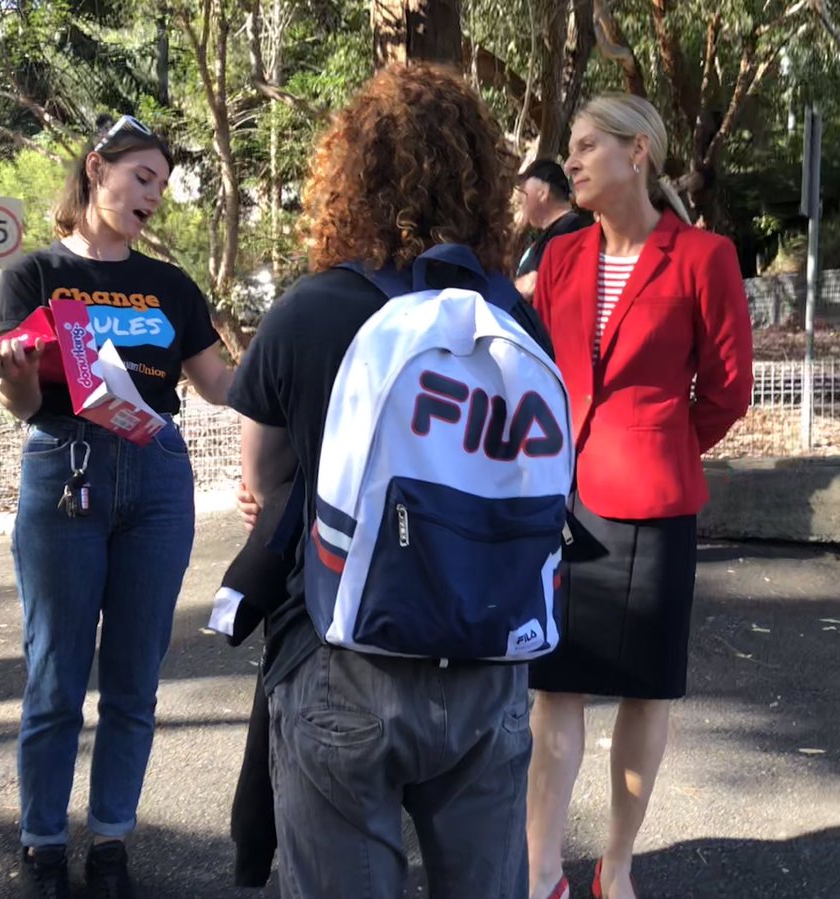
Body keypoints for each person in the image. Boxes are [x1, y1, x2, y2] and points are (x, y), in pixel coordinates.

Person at [227, 64, 551, 899]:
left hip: (344, 655)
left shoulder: (311, 310)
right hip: (486, 647)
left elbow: (262, 481)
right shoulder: (510, 318)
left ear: (351, 173)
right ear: (485, 180)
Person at [0, 114, 233, 899]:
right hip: (66, 469)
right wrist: (14, 372)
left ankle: (113, 843)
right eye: (142, 178)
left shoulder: (171, 287)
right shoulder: (34, 275)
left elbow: (222, 384)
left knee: (134, 679)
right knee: (56, 674)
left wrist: (299, 357)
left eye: (161, 184)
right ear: (98, 170)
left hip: (158, 479)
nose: (153, 196)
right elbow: (21, 405)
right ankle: (44, 844)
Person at [524, 94, 754, 899]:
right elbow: (537, 370)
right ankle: (541, 871)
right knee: (554, 690)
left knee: (647, 692)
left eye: (587, 145)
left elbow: (727, 390)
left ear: (639, 152)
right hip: (563, 503)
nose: (573, 161)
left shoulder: (704, 256)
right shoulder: (558, 258)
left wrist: (663, 443)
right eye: (572, 147)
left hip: (656, 506)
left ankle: (613, 867)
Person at [514, 159, 593, 300]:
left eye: (524, 190)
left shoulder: (572, 230)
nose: (520, 198)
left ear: (543, 192)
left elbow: (534, 283)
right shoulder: (551, 233)